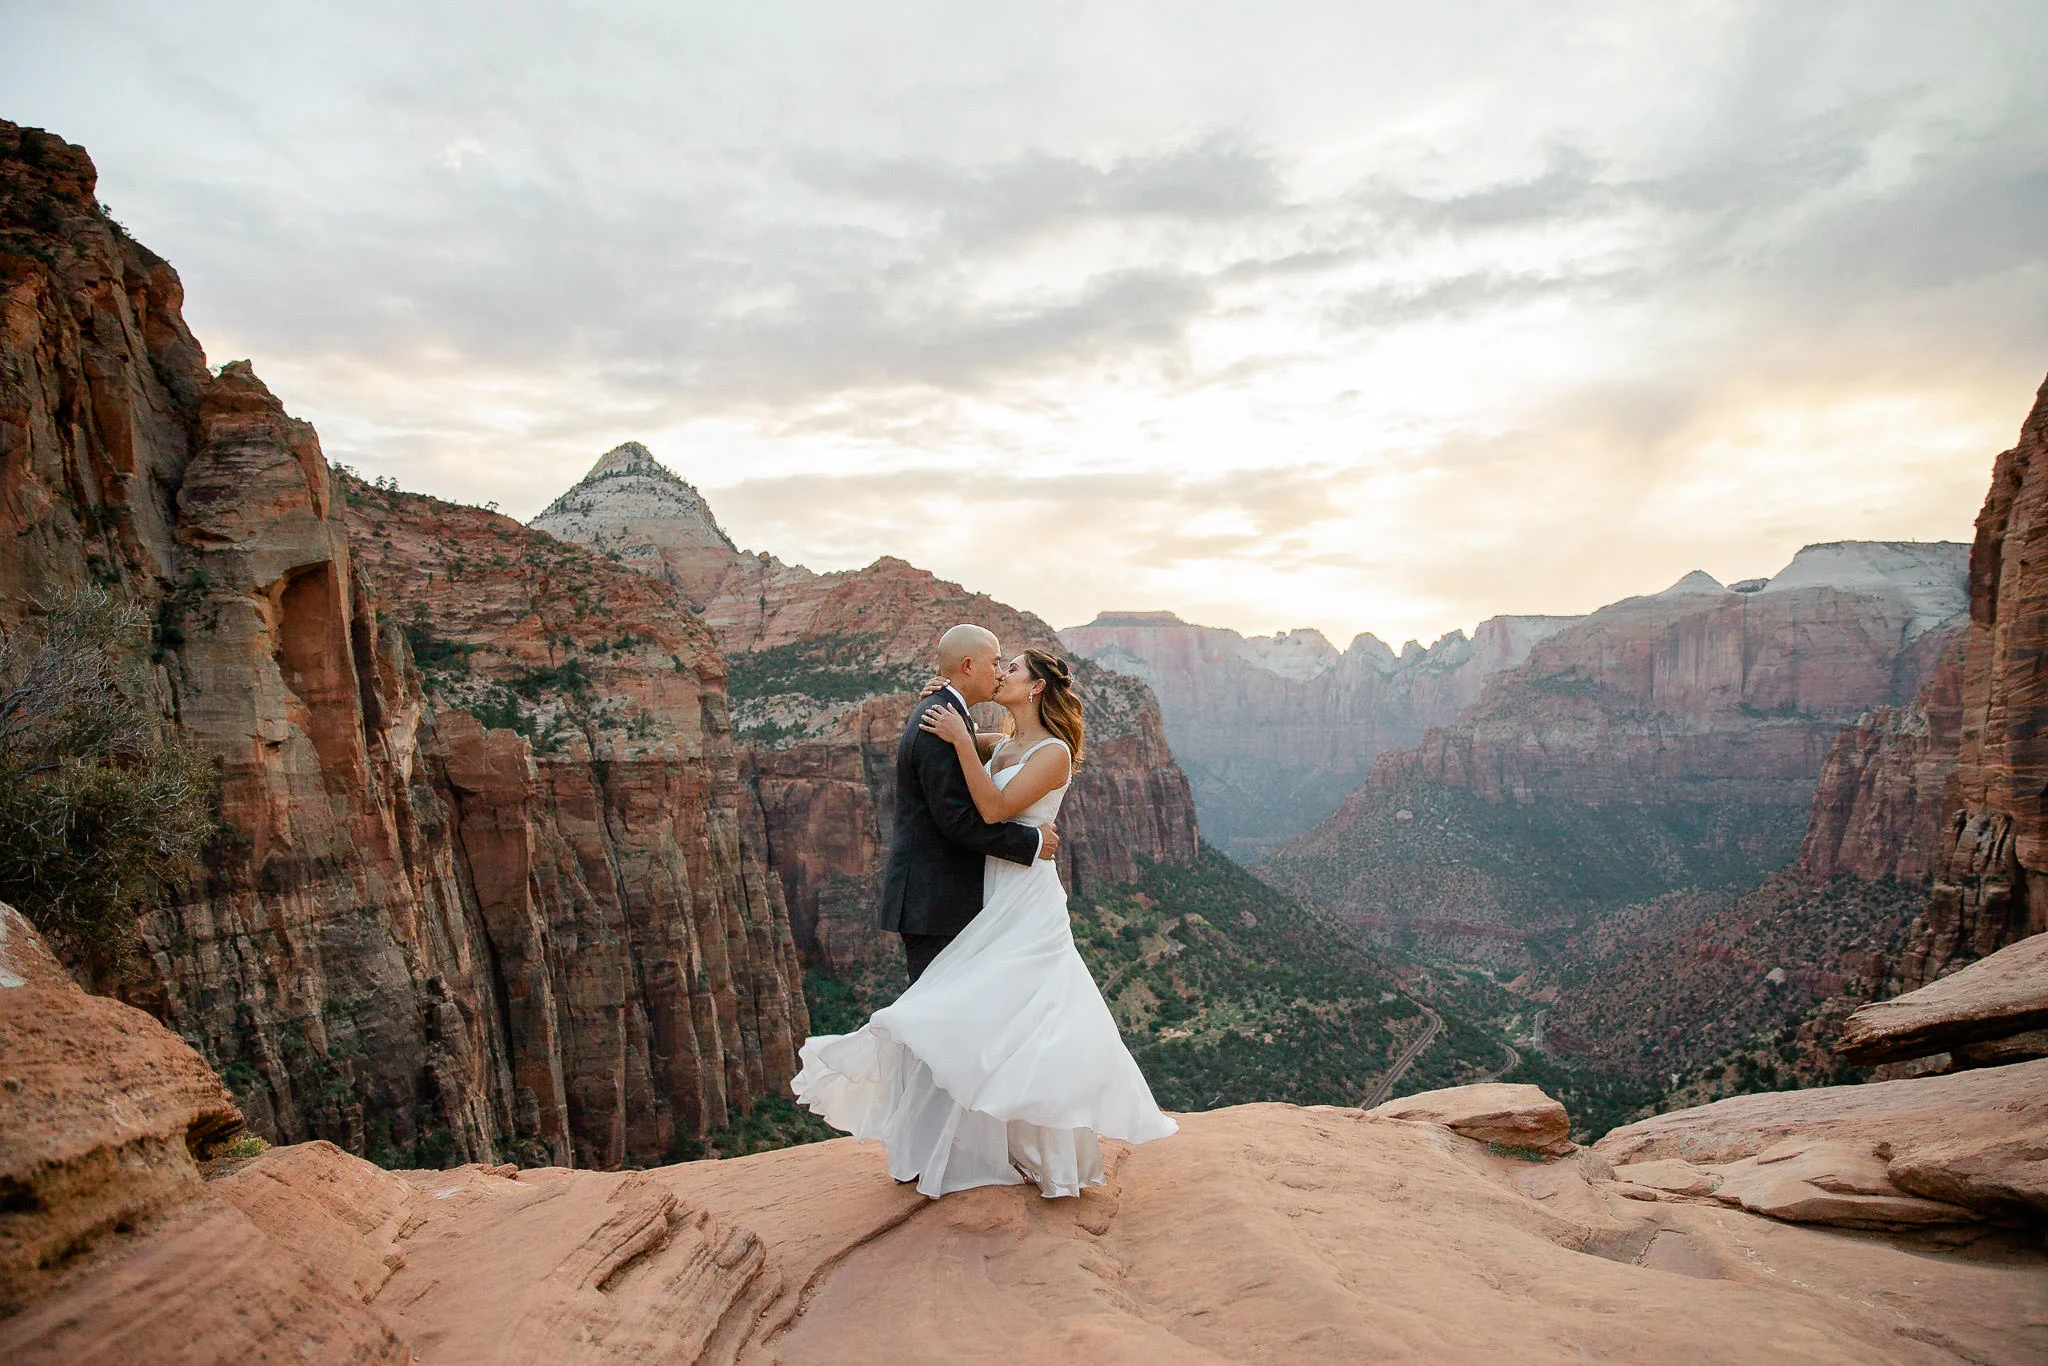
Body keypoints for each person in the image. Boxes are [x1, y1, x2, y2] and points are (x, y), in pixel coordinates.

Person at [791, 637, 1178, 1198]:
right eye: (998, 663)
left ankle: (1026, 1148)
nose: (1002, 673)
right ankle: (966, 1145)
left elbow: (993, 807)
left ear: (1036, 686)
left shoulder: (1053, 753)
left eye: (1013, 668)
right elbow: (985, 754)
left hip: (1023, 899)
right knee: (985, 1016)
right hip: (990, 892)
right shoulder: (1009, 741)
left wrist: (957, 733)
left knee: (1026, 1018)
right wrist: (951, 712)